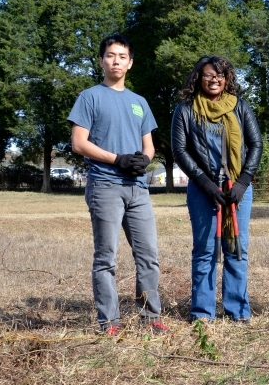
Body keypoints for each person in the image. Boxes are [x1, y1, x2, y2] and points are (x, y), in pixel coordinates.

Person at [68, 34, 169, 336]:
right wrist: (117, 160)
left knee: (148, 255)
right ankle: (109, 322)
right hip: (105, 185)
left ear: (130, 63)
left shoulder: (139, 103)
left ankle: (152, 317)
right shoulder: (89, 97)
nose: (116, 61)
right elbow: (78, 143)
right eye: (110, 55)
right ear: (101, 60)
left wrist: (143, 160)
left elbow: (148, 145)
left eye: (122, 56)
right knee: (106, 258)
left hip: (138, 189)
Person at [171, 55, 263, 323]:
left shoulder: (240, 107)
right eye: (209, 75)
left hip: (238, 189)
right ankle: (203, 313)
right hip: (204, 189)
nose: (214, 80)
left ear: (227, 79)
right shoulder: (185, 110)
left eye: (220, 75)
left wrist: (244, 181)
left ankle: (237, 310)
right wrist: (207, 184)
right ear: (198, 78)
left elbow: (256, 144)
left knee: (237, 248)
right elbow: (180, 150)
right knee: (205, 250)